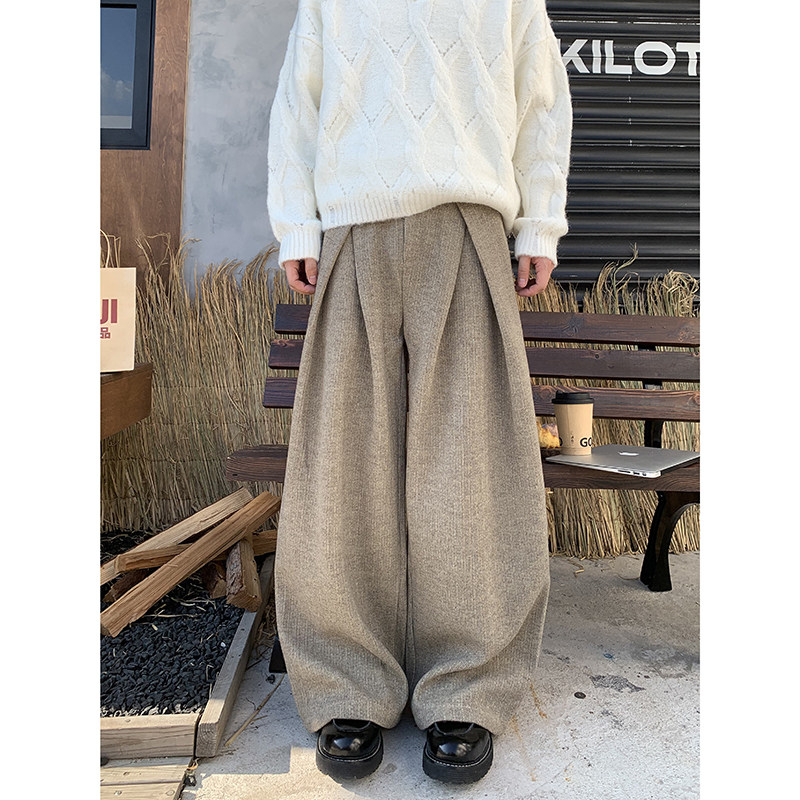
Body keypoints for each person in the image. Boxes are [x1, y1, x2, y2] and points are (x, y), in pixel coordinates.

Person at [267, 0, 572, 784]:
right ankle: (347, 680)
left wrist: (540, 223)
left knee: (471, 466)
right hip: (354, 225)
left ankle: (467, 684)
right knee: (343, 465)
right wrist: (297, 224)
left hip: (468, 219)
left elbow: (540, 95)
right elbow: (299, 100)